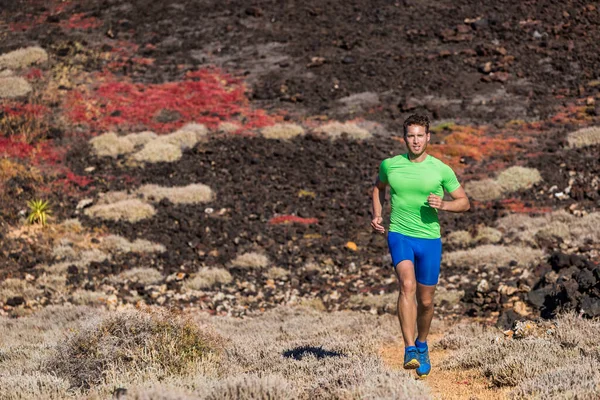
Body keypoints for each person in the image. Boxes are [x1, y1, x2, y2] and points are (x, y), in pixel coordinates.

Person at [371, 114, 470, 378]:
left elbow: (464, 201)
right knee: (407, 285)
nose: (415, 141)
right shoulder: (390, 165)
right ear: (404, 138)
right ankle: (410, 348)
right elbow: (378, 188)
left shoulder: (441, 169)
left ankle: (423, 343)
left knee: (426, 301)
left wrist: (445, 205)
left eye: (420, 136)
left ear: (428, 137)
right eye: (410, 136)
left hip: (429, 240)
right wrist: (377, 213)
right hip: (400, 234)